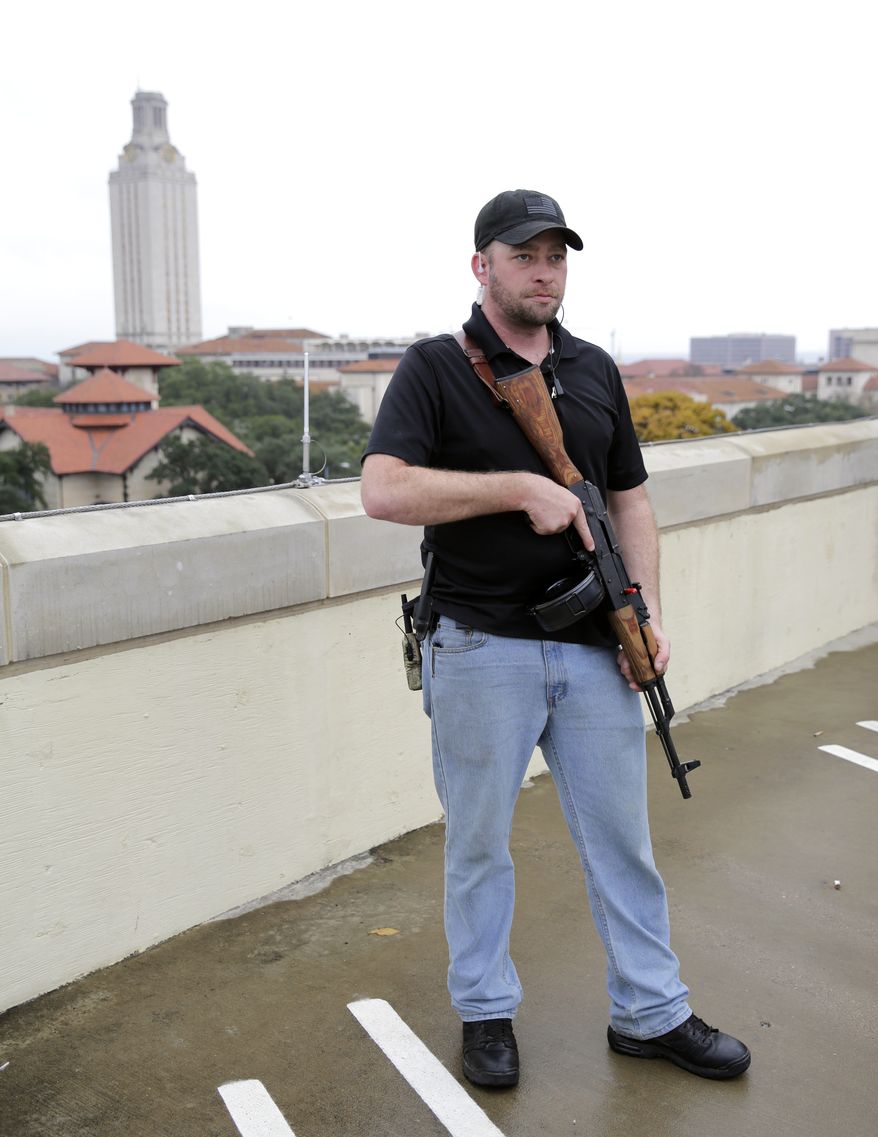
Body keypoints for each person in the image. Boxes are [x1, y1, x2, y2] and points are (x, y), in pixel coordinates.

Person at [360, 189, 750, 1087]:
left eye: (557, 256)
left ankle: (651, 1013)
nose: (544, 271)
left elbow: (629, 499)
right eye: (524, 254)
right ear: (481, 265)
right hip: (477, 643)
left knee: (623, 839)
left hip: (591, 645)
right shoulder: (433, 367)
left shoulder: (593, 367)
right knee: (478, 843)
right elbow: (382, 491)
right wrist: (518, 489)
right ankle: (486, 1012)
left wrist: (640, 610)